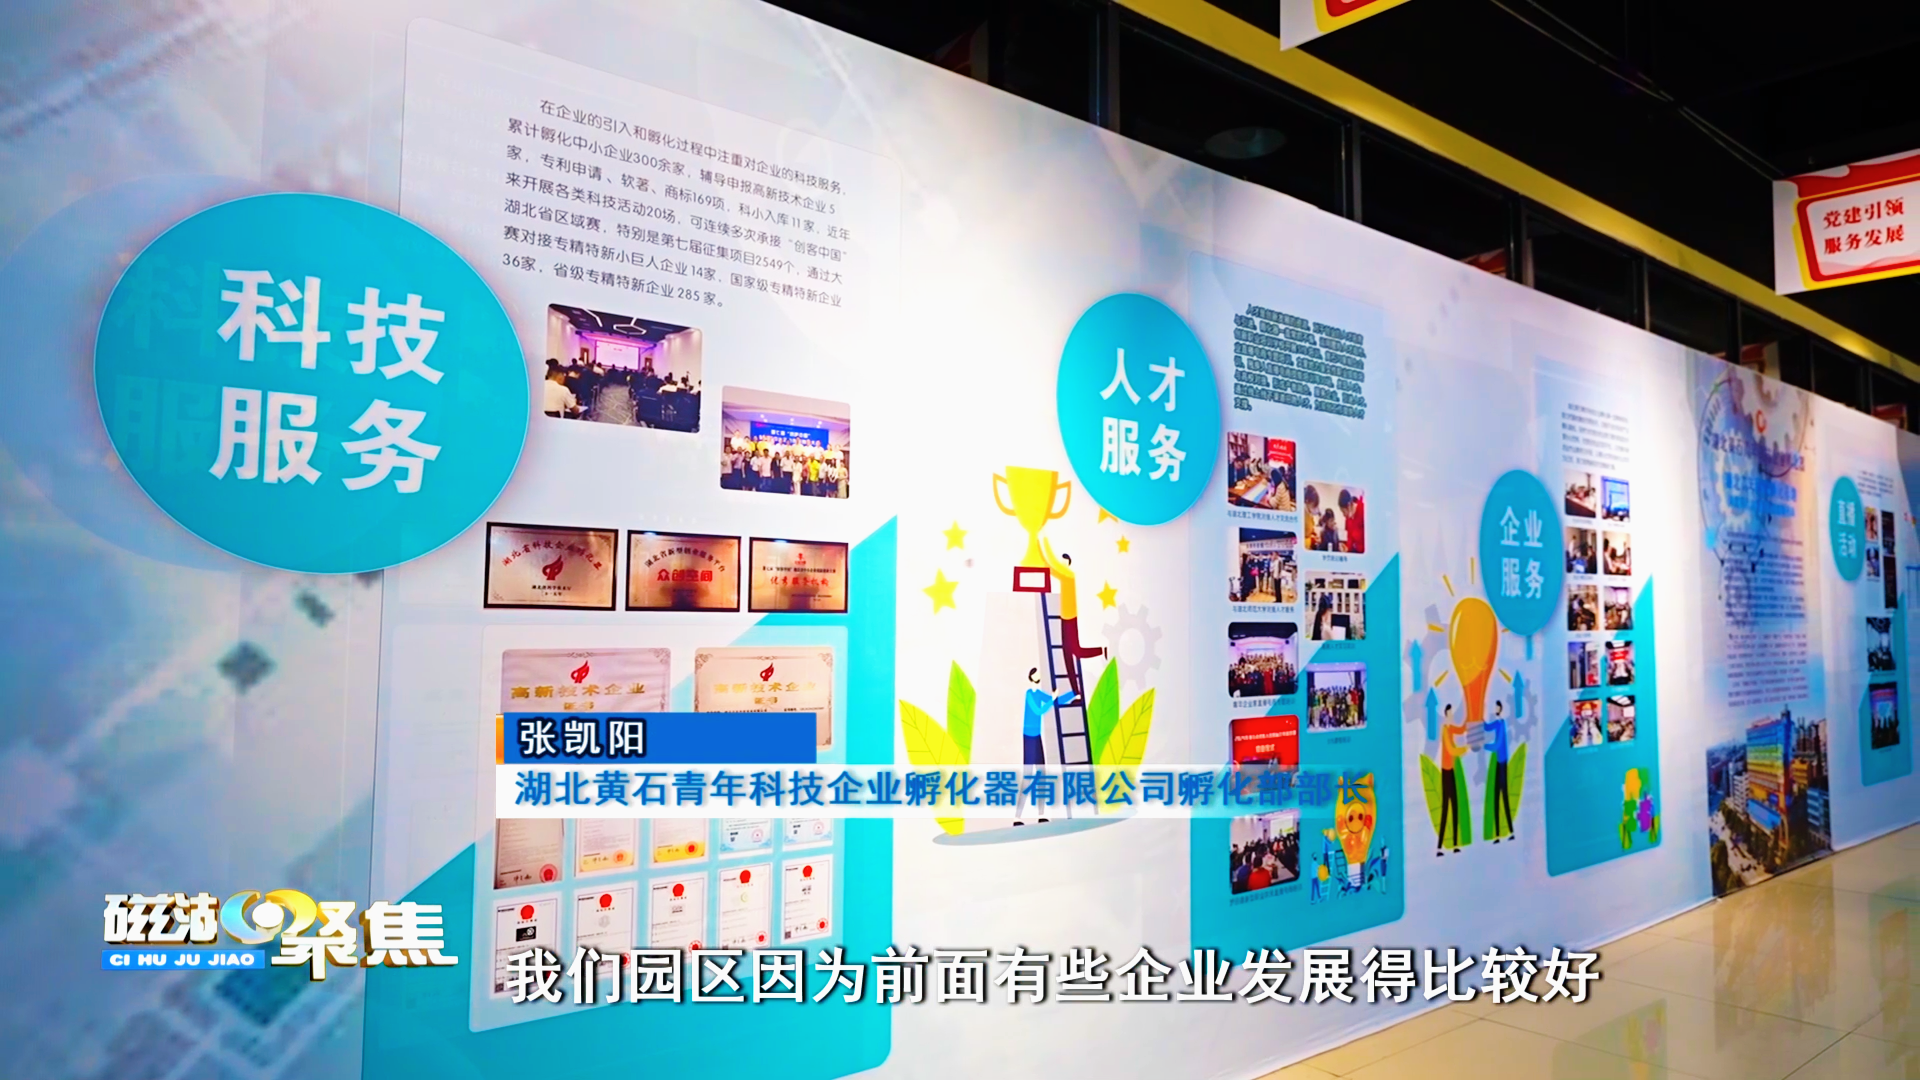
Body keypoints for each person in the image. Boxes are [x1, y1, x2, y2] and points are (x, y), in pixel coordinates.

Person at [1043, 541, 1107, 703]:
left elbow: (1052, 566)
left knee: (1076, 651)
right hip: (1064, 618)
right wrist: (1041, 552)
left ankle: (1102, 650)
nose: (1061, 566)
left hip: (1070, 618)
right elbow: (1052, 568)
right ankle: (1076, 691)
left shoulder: (1069, 575)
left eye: (1064, 563)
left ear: (1068, 564)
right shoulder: (1065, 576)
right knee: (1067, 654)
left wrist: (1043, 545)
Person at [1014, 668, 1073, 825]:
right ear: (1031, 677)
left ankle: (1041, 814)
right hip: (1029, 737)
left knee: (1041, 774)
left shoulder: (1039, 694)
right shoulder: (1029, 694)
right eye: (1036, 674)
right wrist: (1052, 698)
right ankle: (1017, 817)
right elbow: (1039, 710)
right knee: (1028, 775)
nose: (1039, 675)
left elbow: (1055, 702)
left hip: (1037, 736)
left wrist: (1073, 694)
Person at [1437, 703, 1467, 855]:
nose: (1451, 716)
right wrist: (1464, 749)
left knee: (1455, 806)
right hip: (1446, 772)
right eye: (1449, 714)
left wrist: (1468, 720)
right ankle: (1439, 846)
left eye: (1452, 714)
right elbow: (1451, 749)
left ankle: (1455, 844)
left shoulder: (1450, 728)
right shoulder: (1444, 730)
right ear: (1446, 715)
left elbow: (1460, 729)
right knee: (1445, 808)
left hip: (1451, 770)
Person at [1488, 699, 1514, 842]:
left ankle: (1510, 831)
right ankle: (1497, 834)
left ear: (1500, 709)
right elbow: (1487, 727)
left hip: (1503, 763)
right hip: (1499, 763)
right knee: (1496, 797)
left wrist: (1485, 746)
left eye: (1497, 707)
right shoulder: (1497, 723)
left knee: (1504, 797)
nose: (1495, 709)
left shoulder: (1502, 724)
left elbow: (1497, 744)